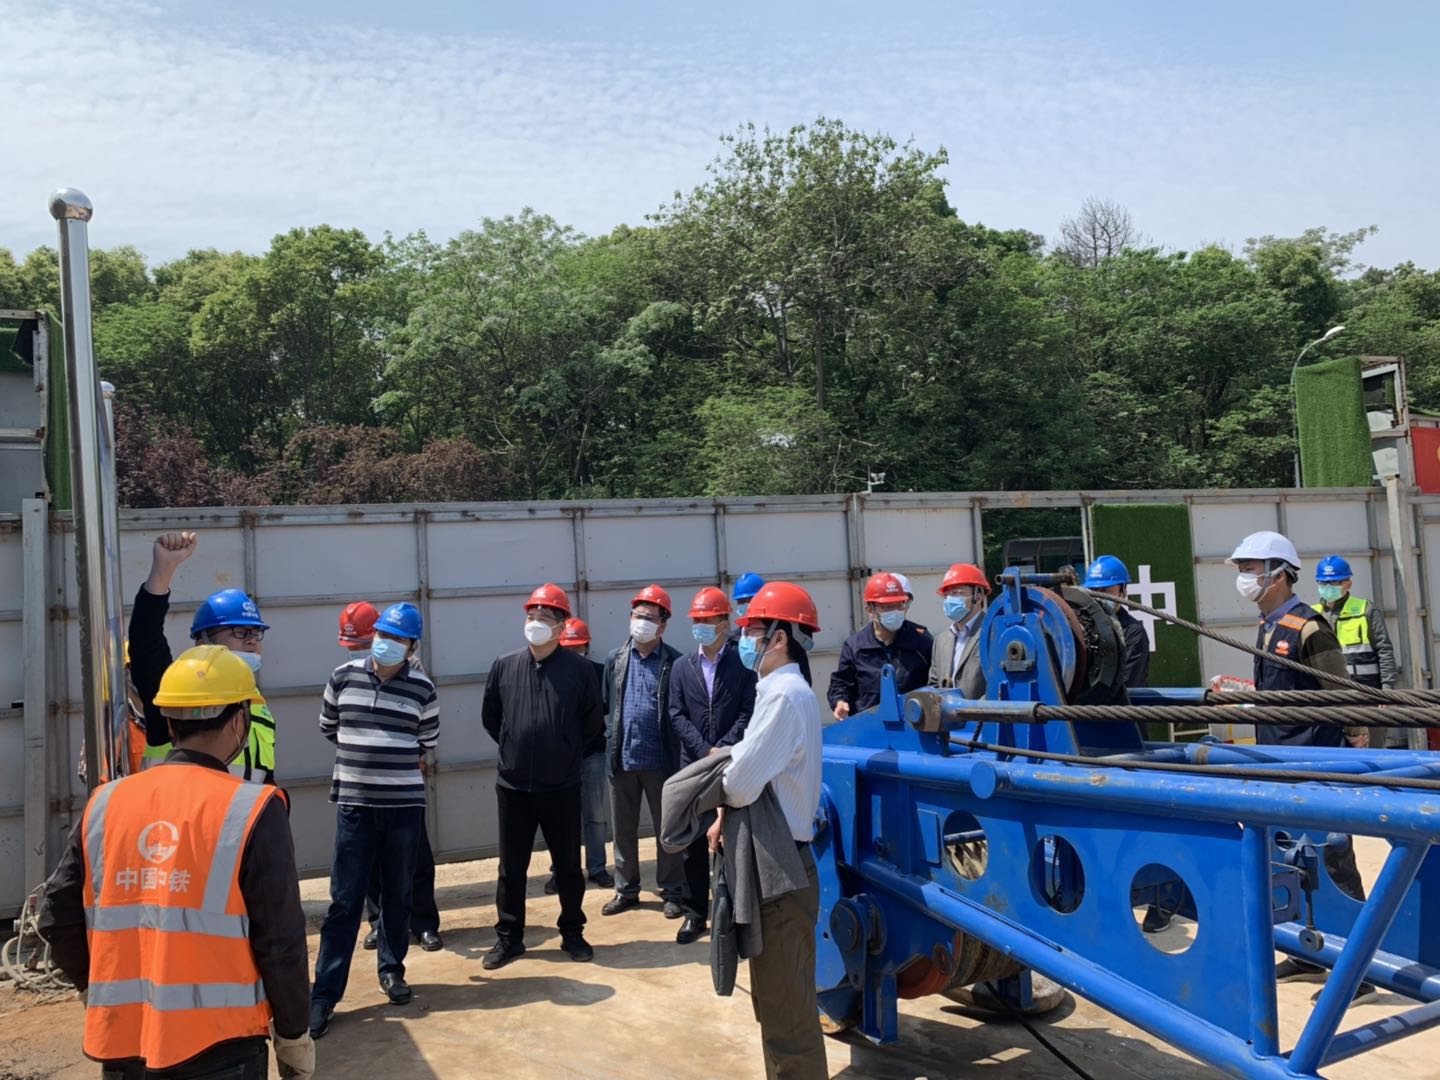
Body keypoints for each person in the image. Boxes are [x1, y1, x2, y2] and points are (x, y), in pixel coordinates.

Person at [39, 646, 314, 1080]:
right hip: (222, 1044)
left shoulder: (106, 803)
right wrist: (294, 1034)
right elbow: (280, 941)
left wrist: (94, 989)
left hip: (126, 1042)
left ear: (169, 723)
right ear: (239, 721)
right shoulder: (253, 809)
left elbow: (55, 915)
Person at [1228, 530, 1375, 1003]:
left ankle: (1360, 970)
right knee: (1292, 859)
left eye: (1251, 569)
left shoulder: (1309, 627)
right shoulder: (1268, 625)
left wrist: (1355, 734)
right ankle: (1309, 952)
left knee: (1332, 858)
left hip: (1315, 759)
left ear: (1279, 574)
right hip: (1281, 758)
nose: (1243, 577)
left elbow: (1340, 692)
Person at [712, 581, 827, 1079]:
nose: (744, 640)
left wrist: (719, 774)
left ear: (779, 638)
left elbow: (739, 784)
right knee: (778, 1003)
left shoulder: (783, 697)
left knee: (787, 1018)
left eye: (752, 630)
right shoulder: (779, 693)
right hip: (779, 866)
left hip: (781, 872)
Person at [310, 603, 438, 1036]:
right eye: (384, 634)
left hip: (403, 808)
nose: (388, 643)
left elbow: (428, 738)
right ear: (374, 635)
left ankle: (392, 970)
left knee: (398, 894)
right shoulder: (342, 677)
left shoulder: (423, 688)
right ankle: (324, 994)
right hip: (355, 806)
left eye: (399, 639)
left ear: (411, 647)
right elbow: (329, 726)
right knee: (345, 900)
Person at [481, 584, 604, 969]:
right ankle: (509, 937)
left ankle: (573, 932)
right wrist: (514, 746)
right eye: (531, 615)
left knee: (567, 865)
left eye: (545, 617)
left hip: (561, 787)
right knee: (511, 868)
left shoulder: (580, 671)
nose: (535, 622)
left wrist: (563, 752)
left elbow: (592, 725)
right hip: (514, 786)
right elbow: (491, 718)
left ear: (561, 625)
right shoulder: (505, 665)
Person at [335, 603, 444, 955]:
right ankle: (377, 922)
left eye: (361, 642)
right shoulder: (347, 675)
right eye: (353, 645)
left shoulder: (414, 670)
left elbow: (425, 731)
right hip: (362, 787)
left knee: (416, 858)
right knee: (369, 863)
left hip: (403, 785)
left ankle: (423, 922)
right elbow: (333, 726)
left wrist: (402, 755)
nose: (360, 650)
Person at [127, 532, 278, 784]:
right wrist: (163, 570)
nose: (251, 640)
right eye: (239, 632)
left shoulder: (254, 702)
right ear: (203, 642)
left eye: (256, 633)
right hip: (179, 808)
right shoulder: (182, 697)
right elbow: (146, 643)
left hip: (243, 810)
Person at [668, 587, 757, 944]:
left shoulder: (742, 665)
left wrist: (722, 749)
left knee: (733, 837)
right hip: (693, 765)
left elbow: (748, 711)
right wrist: (704, 750)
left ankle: (735, 911)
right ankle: (694, 913)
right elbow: (676, 714)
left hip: (732, 762)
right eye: (697, 619)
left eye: (707, 619)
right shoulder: (681, 667)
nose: (701, 625)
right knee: (692, 841)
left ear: (724, 623)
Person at [601, 585, 687, 919]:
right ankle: (626, 890)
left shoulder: (674, 662)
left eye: (649, 618)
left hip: (660, 761)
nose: (641, 622)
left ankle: (673, 891)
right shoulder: (616, 658)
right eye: (637, 615)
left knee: (668, 830)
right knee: (623, 831)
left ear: (663, 625)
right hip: (622, 758)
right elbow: (606, 703)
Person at [543, 616, 615, 893]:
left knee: (594, 815)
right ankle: (562, 871)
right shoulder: (549, 672)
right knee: (561, 819)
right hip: (560, 757)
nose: (574, 652)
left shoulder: (599, 672)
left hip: (592, 754)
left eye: (578, 647)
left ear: (586, 646)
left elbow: (607, 708)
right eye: (568, 648)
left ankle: (597, 868)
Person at [828, 571, 933, 720]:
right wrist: (840, 702)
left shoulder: (922, 643)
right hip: (869, 727)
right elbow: (841, 684)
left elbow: (936, 685)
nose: (894, 612)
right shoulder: (855, 646)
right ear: (870, 610)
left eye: (899, 605)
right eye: (887, 607)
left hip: (914, 726)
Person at [1313, 555, 1400, 690]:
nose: (1328, 587)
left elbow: (1384, 650)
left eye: (1334, 582)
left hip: (1365, 690)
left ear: (1348, 584)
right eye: (1323, 582)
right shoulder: (1312, 614)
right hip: (1326, 692)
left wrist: (1387, 688)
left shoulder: (1366, 609)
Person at [1083, 555, 1151, 688]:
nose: (1099, 597)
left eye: (1106, 591)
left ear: (1123, 592)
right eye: (1093, 591)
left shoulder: (1133, 633)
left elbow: (1128, 685)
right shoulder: (1083, 628)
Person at [928, 563, 991, 696]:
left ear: (978, 596)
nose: (950, 599)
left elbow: (998, 685)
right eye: (947, 595)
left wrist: (976, 709)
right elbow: (934, 685)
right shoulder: (940, 641)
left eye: (957, 593)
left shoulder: (993, 633)